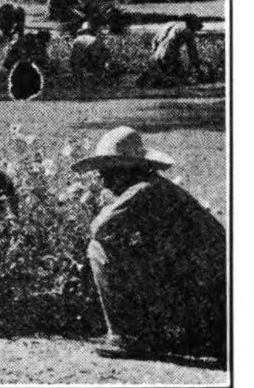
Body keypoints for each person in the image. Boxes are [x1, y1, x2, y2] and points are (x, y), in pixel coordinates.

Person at [72, 126, 225, 362]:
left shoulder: (143, 190)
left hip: (204, 289)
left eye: (106, 170)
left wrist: (103, 206)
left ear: (124, 168)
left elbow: (100, 228)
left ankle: (127, 337)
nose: (101, 179)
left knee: (98, 249)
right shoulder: (156, 187)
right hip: (214, 293)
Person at [139, 14, 205, 87]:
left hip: (156, 55)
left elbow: (154, 41)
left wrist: (157, 53)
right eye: (195, 28)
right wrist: (198, 69)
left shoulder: (170, 25)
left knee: (164, 72)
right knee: (181, 80)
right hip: (169, 56)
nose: (195, 31)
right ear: (192, 24)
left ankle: (152, 77)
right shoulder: (188, 32)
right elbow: (193, 53)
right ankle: (158, 80)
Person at [2, 31, 51, 101]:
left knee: (31, 82)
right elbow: (14, 54)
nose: (44, 44)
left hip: (27, 67)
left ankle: (25, 95)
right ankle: (20, 95)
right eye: (43, 42)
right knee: (21, 81)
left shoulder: (39, 45)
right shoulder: (27, 42)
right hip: (21, 66)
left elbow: (44, 59)